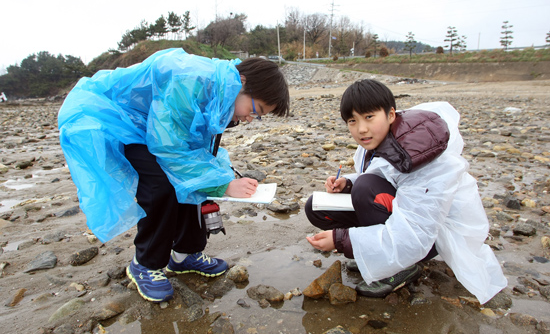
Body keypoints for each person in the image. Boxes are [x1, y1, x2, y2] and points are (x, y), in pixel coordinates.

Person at [58, 48, 290, 302]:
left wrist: (223, 177)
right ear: (243, 82)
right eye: (256, 110)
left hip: (148, 125)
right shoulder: (192, 79)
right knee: (161, 185)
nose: (250, 119)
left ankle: (185, 254)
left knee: (192, 182)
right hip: (106, 116)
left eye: (258, 116)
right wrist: (223, 185)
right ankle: (145, 264)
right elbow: (169, 147)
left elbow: (198, 153)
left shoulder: (221, 92)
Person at [305, 79, 506, 304]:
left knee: (365, 190)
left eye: (369, 117)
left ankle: (401, 268)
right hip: (405, 215)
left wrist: (341, 240)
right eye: (353, 121)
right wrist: (347, 183)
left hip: (430, 235)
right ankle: (376, 256)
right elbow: (386, 177)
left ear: (391, 114)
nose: (361, 129)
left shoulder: (420, 153)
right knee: (317, 206)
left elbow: (414, 232)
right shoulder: (381, 140)